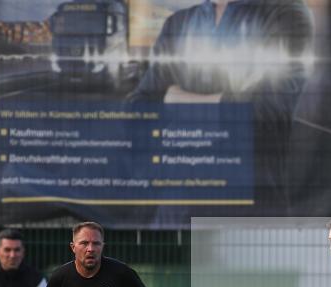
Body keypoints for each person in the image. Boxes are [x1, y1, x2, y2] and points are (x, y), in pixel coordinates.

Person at [126, 0, 314, 211]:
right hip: (176, 210)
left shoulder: (285, 14)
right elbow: (138, 110)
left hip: (249, 211)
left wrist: (178, 101)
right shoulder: (177, 24)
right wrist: (228, 105)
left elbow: (267, 112)